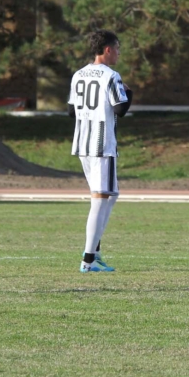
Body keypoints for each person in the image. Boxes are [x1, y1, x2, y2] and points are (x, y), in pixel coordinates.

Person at [68, 30, 132, 273]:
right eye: (117, 49)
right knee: (100, 197)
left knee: (111, 194)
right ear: (107, 49)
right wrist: (129, 93)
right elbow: (120, 110)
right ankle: (88, 259)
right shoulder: (111, 75)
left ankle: (94, 251)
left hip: (82, 143)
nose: (118, 53)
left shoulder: (78, 74)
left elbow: (71, 111)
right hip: (102, 143)